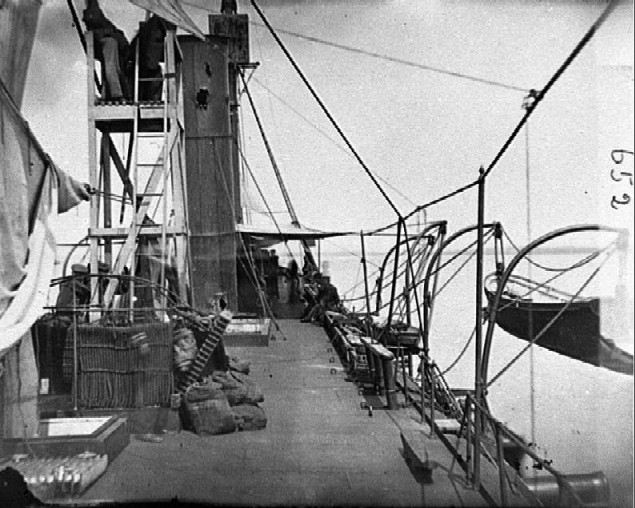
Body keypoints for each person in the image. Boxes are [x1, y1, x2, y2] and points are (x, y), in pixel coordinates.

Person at [83, 0, 130, 101]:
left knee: (111, 66)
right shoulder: (97, 19)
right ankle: (116, 94)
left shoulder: (99, 21)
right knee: (111, 66)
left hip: (110, 43)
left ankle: (113, 93)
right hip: (110, 43)